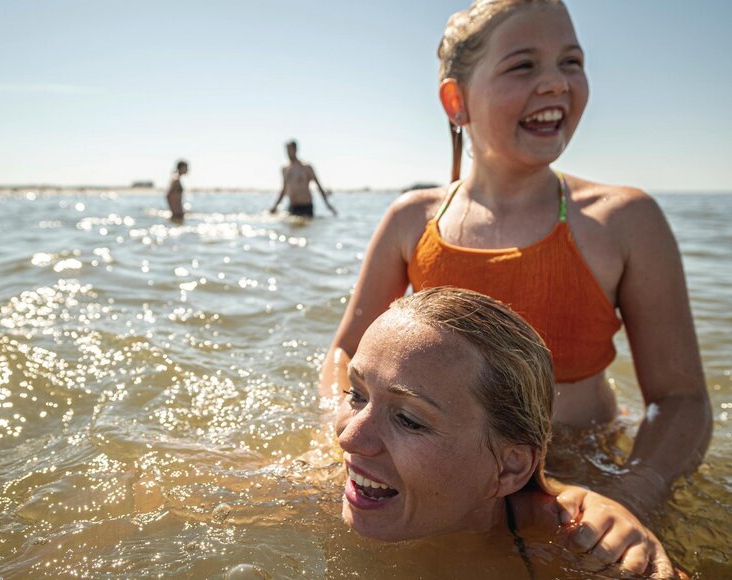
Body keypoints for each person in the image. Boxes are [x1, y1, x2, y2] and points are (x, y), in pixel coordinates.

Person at [322, 0, 712, 520]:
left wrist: (635, 492)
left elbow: (681, 398)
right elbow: (346, 353)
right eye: (523, 65)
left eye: (571, 62)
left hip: (583, 474)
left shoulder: (625, 222)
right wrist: (331, 440)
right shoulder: (411, 220)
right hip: (447, 470)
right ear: (456, 100)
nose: (556, 83)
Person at [337, 287, 674, 577]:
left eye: (409, 420)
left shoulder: (584, 549)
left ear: (510, 468)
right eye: (357, 394)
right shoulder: (316, 484)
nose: (349, 439)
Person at [270, 140, 337, 217]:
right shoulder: (285, 169)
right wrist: (275, 206)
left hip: (306, 206)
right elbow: (284, 189)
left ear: (295, 150)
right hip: (293, 206)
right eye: (287, 150)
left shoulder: (306, 167)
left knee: (306, 226)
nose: (288, 153)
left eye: (290, 150)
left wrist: (327, 205)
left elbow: (318, 185)